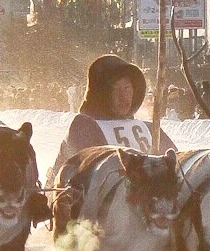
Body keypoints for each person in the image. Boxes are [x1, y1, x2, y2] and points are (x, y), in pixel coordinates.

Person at [46, 54, 177, 184]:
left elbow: (178, 166)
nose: (123, 97)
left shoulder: (149, 128)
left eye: (127, 88)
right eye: (115, 89)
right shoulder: (85, 126)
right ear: (101, 94)